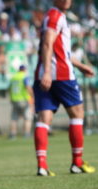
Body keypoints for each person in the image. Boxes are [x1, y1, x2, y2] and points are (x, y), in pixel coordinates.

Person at [33, 0, 95, 176]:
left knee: (44, 117)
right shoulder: (55, 15)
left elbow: (60, 51)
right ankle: (77, 162)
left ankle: (42, 166)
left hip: (44, 73)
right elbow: (47, 44)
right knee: (77, 113)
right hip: (60, 75)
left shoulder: (52, 15)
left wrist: (80, 65)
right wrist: (48, 72)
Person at [8, 65, 34, 139]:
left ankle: (13, 135)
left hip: (14, 99)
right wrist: (33, 96)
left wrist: (11, 98)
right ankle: (26, 134)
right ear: (25, 70)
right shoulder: (25, 77)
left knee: (14, 118)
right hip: (24, 99)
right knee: (28, 117)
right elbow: (28, 87)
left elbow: (9, 88)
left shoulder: (13, 77)